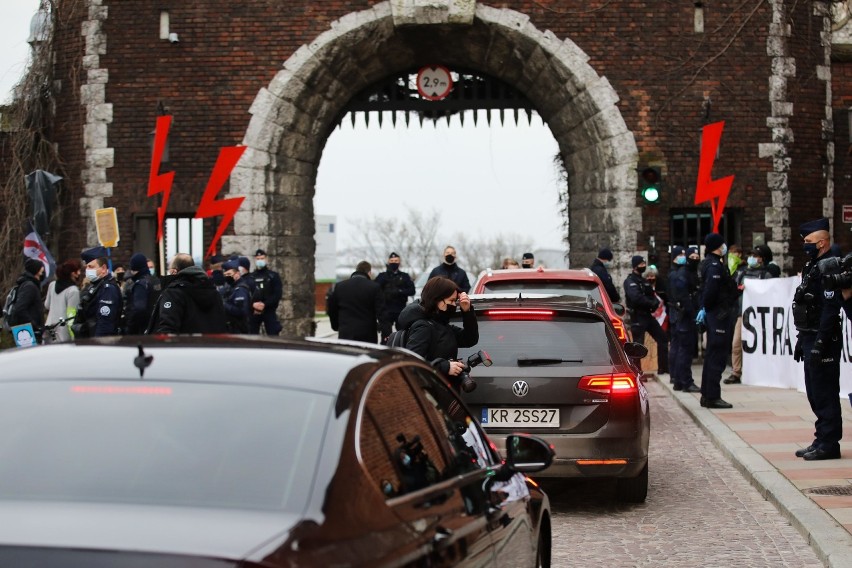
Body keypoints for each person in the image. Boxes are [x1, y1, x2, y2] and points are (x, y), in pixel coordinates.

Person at [792, 218, 843, 460]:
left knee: (825, 392)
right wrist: (803, 340)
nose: (805, 245)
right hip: (811, 334)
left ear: (822, 243)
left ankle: (829, 443)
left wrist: (821, 342)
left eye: (809, 241)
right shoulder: (813, 264)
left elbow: (830, 308)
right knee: (814, 392)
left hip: (825, 338)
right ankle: (821, 437)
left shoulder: (829, 266)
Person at [397, 276, 479, 393]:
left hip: (445, 393)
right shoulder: (424, 326)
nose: (454, 305)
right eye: (451, 301)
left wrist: (467, 311)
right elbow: (412, 364)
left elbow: (470, 339)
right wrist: (445, 367)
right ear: (437, 300)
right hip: (431, 396)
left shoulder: (441, 324)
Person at [725, 245, 776, 384]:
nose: (752, 259)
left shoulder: (766, 275)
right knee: (737, 343)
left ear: (762, 259)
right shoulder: (741, 273)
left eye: (756, 256)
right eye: (751, 255)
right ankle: (736, 372)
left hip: (760, 316)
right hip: (743, 314)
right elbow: (732, 290)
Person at [697, 233, 738, 409]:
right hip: (719, 316)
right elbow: (711, 292)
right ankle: (712, 396)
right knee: (717, 356)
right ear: (717, 246)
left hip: (715, 314)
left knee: (712, 355)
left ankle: (707, 394)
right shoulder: (714, 265)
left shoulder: (710, 263)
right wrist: (708, 308)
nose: (725, 247)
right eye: (722, 244)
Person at [147, 253, 227, 334]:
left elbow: (168, 327)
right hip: (211, 344)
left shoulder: (173, 293)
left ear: (174, 271)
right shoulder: (213, 291)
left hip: (184, 345)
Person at [623, 255, 667, 379]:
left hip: (648, 315)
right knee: (638, 346)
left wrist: (654, 303)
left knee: (663, 338)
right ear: (635, 265)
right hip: (637, 316)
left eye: (644, 264)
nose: (643, 266)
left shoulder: (643, 281)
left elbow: (651, 295)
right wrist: (650, 303)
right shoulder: (630, 281)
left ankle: (663, 368)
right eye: (641, 264)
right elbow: (636, 298)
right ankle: (638, 373)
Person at [667, 246, 700, 392]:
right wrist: (693, 313)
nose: (695, 260)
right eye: (691, 257)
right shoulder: (681, 274)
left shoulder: (686, 272)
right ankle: (685, 381)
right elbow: (683, 296)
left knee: (681, 348)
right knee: (684, 349)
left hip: (684, 314)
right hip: (684, 315)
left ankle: (679, 380)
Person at [326, 261, 383, 343]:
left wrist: (336, 326)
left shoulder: (340, 286)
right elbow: (381, 313)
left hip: (346, 333)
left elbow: (332, 309)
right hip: (367, 335)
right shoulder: (374, 287)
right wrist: (385, 332)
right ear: (369, 272)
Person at [74, 247, 123, 337]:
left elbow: (105, 323)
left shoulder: (108, 289)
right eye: (87, 267)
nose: (87, 270)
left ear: (103, 268)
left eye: (91, 267)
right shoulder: (96, 286)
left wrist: (98, 345)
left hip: (99, 343)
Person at [374, 252, 415, 341]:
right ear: (388, 262)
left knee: (402, 336)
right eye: (392, 260)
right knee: (386, 337)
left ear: (399, 262)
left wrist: (400, 291)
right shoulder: (382, 276)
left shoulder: (404, 276)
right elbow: (375, 289)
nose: (394, 262)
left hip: (400, 310)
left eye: (396, 260)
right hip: (386, 310)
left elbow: (412, 291)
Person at [7, 258, 46, 342]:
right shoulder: (30, 286)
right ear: (36, 270)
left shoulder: (29, 284)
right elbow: (20, 308)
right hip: (27, 332)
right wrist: (34, 325)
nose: (43, 270)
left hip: (28, 330)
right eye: (41, 267)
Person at [43, 259, 81, 343]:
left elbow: (47, 305)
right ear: (73, 273)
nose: (79, 273)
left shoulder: (52, 285)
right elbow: (71, 315)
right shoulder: (73, 290)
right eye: (78, 270)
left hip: (49, 328)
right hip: (63, 332)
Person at [123, 253, 161, 335]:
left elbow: (139, 309)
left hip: (142, 328)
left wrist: (130, 328)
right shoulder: (155, 281)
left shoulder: (141, 284)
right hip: (155, 325)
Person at [643, 265, 669, 377]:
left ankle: (663, 367)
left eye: (652, 276)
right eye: (648, 276)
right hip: (649, 317)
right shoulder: (644, 287)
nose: (650, 278)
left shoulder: (661, 286)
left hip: (663, 317)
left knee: (663, 341)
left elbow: (667, 299)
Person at [250, 249, 283, 336]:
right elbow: (248, 294)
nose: (260, 260)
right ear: (255, 260)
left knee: (273, 334)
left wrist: (264, 304)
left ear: (266, 259)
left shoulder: (273, 276)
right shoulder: (251, 277)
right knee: (251, 334)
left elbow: (277, 294)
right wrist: (254, 305)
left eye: (262, 258)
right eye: (258, 259)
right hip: (255, 311)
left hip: (269, 310)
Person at [221, 258, 254, 333]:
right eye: (225, 275)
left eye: (229, 274)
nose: (227, 277)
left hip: (238, 329)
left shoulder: (240, 289)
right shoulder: (230, 287)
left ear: (237, 274)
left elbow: (241, 311)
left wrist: (224, 304)